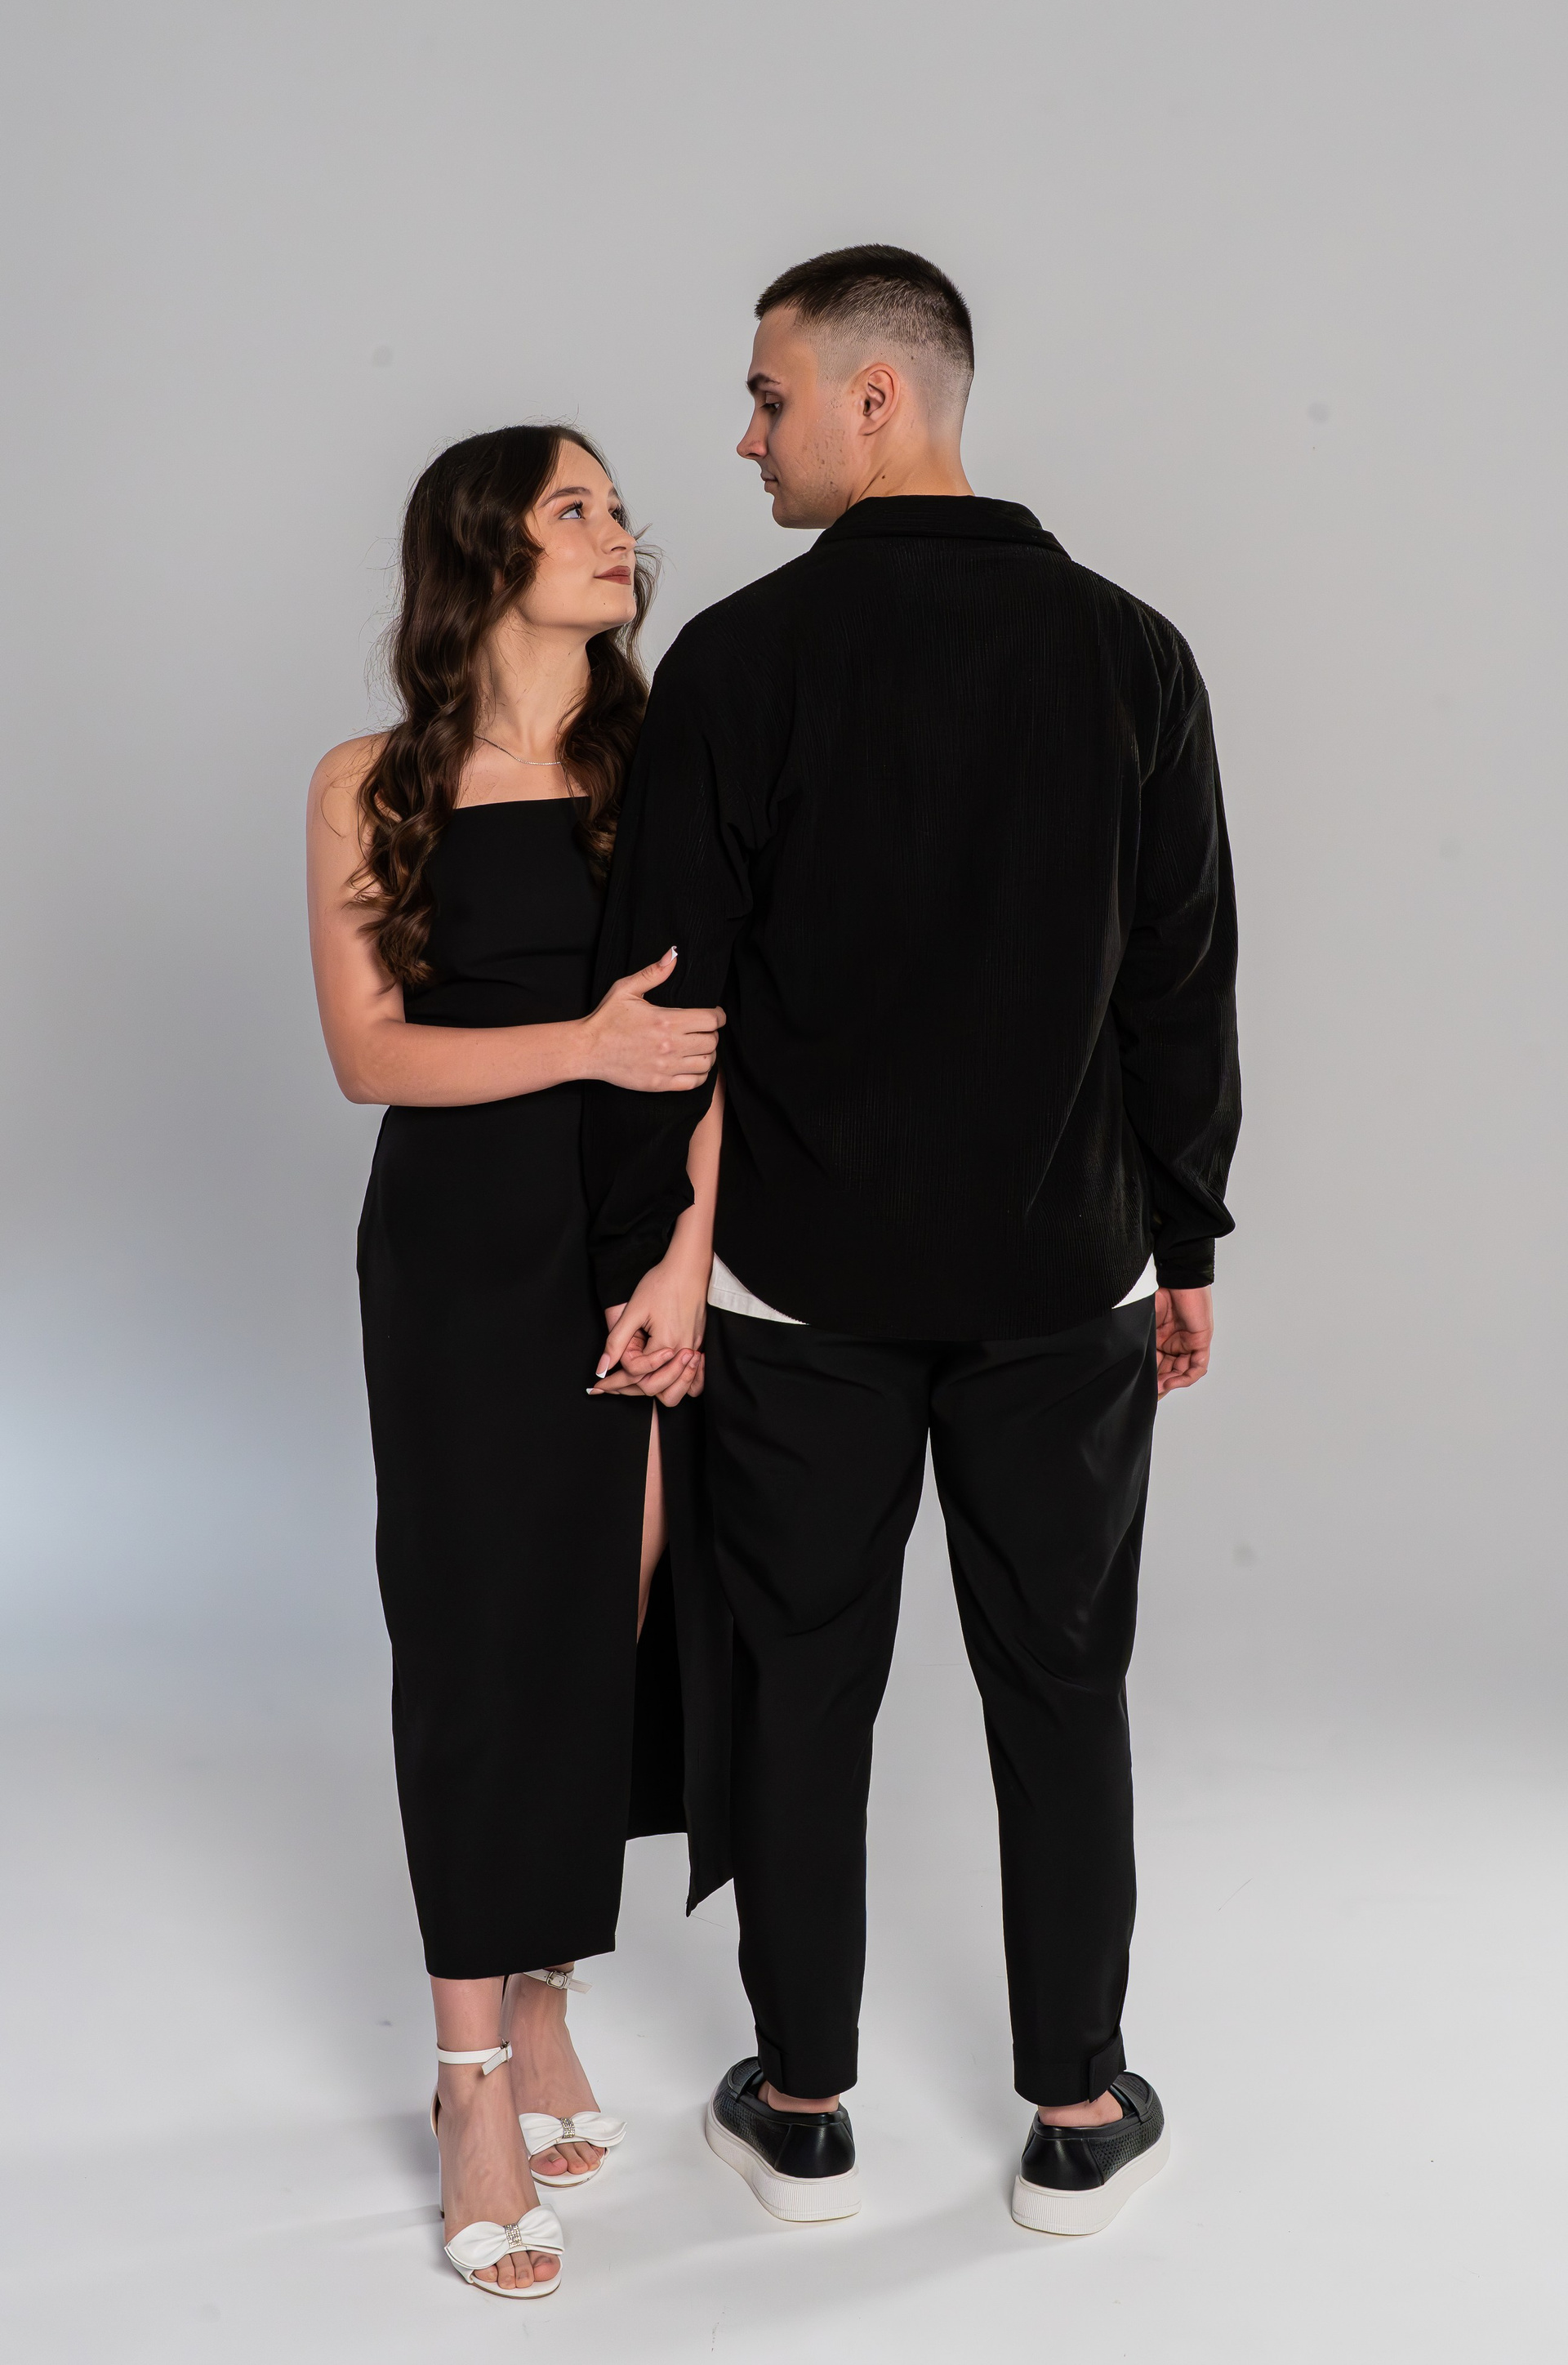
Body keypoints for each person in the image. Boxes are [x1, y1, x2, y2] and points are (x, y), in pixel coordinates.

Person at [583, 247, 1241, 2237]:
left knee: (800, 1683)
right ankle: (1076, 2113)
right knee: (1063, 1681)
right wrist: (1186, 1239)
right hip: (1065, 1273)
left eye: (768, 393)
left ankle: (800, 2108)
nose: (744, 435)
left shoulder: (740, 662)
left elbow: (667, 1003)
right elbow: (1181, 986)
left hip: (801, 1281)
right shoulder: (1133, 653)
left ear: (879, 397)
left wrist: (653, 1252)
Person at [305, 425, 731, 2298]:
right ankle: (470, 2078)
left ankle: (547, 1993)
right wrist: (578, 1044)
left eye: (620, 508)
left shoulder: (668, 771)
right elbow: (369, 1055)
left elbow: (720, 1047)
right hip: (459, 1258)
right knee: (479, 1648)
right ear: (484, 552)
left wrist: (689, 1263)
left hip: (634, 1245)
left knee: (605, 1634)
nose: (621, 532)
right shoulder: (368, 782)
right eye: (578, 508)